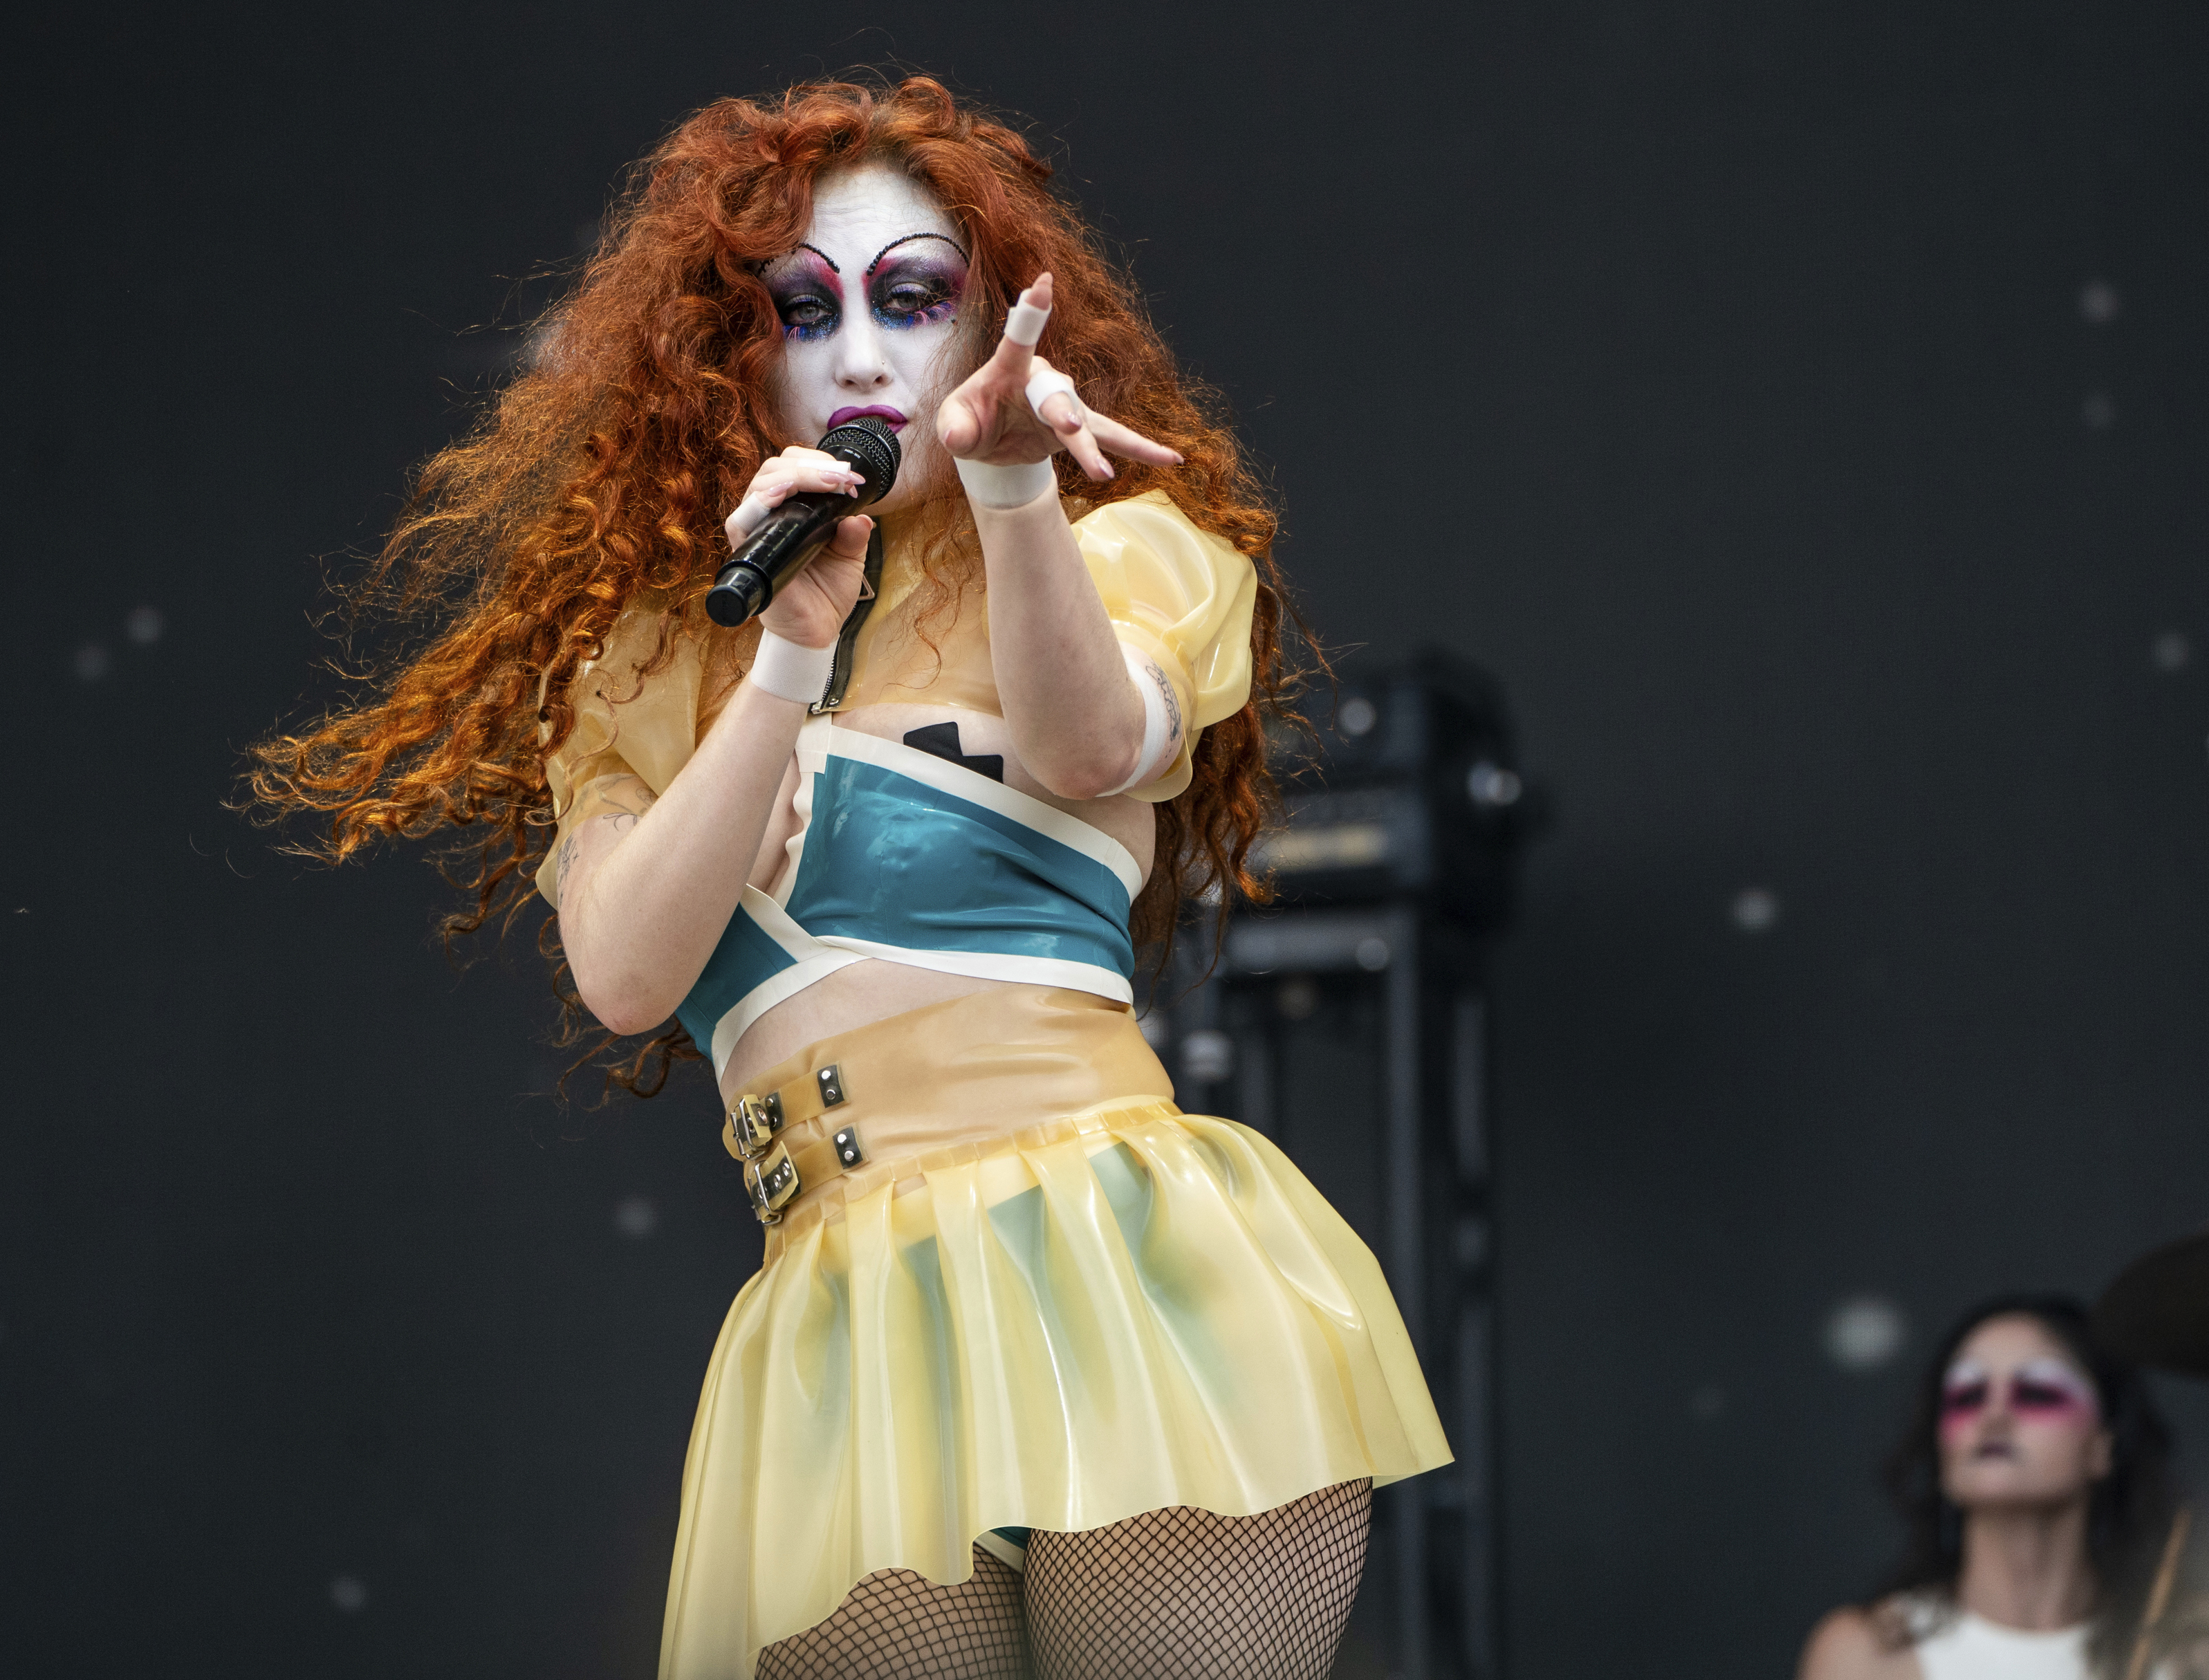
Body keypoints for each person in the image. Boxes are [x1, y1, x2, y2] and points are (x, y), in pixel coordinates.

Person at [250, 75, 1449, 1679]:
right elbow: (625, 976)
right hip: (842, 1318)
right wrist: (783, 655)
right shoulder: (648, 656)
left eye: (912, 298)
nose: (863, 354)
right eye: (804, 307)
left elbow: (1093, 746)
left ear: (982, 329)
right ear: (730, 348)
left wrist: (1015, 485)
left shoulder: (1122, 550)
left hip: (1113, 1253)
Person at [1797, 1295, 2183, 1680]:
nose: (1994, 1416)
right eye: (1967, 1396)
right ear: (1940, 1454)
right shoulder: (1867, 1652)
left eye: (2036, 1392)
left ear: (2103, 1447)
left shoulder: (2184, 1652)